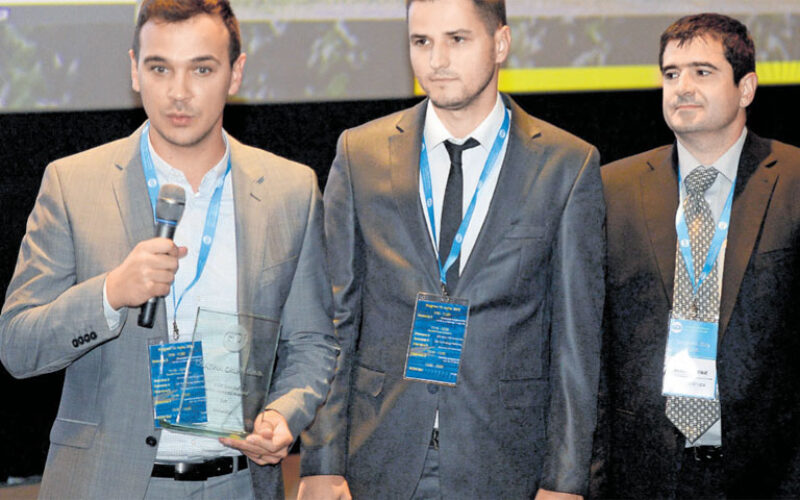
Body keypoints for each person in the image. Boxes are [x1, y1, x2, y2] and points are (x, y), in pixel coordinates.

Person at [0, 0, 338, 498]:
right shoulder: (72, 184)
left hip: (237, 483)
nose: (179, 92)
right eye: (160, 68)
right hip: (107, 485)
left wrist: (284, 414)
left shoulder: (291, 190)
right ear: (134, 70)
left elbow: (312, 342)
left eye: (201, 69)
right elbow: (17, 345)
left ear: (235, 73)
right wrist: (110, 293)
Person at [298, 0, 605, 498]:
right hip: (379, 455)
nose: (436, 60)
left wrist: (565, 480)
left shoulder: (566, 165)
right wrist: (321, 462)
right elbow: (335, 319)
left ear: (500, 43)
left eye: (457, 40)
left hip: (506, 462)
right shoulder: (361, 154)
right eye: (421, 42)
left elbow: (576, 344)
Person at [593, 12, 800, 498]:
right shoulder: (612, 189)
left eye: (702, 72)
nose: (682, 87)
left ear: (746, 88)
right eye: (671, 74)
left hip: (770, 474)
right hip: (643, 474)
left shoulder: (794, 180)